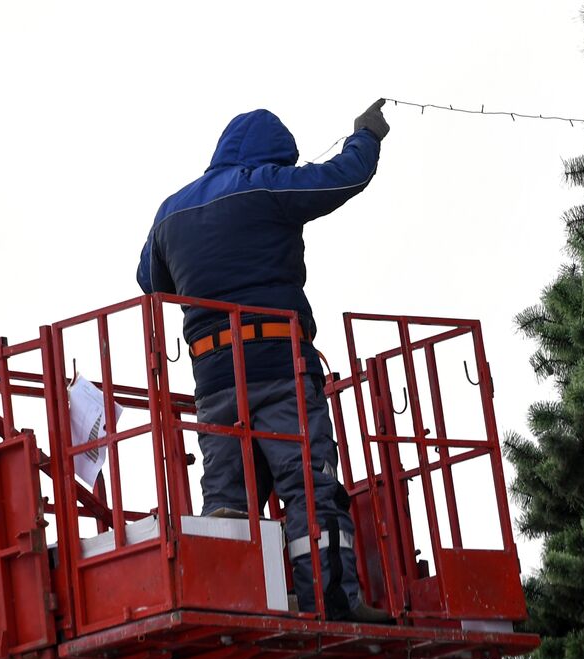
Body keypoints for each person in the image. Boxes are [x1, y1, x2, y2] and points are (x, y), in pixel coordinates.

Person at [137, 103, 392, 621]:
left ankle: (231, 601)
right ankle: (332, 602)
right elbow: (344, 176)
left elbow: (149, 282)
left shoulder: (170, 212)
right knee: (310, 489)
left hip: (214, 384)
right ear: (274, 155)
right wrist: (366, 135)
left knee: (227, 499)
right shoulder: (267, 186)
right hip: (279, 369)